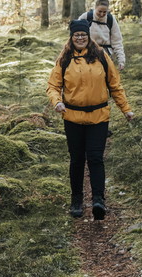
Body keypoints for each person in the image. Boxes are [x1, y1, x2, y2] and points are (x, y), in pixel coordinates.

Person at [47, 19, 134, 220]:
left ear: (88, 36)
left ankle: (98, 200)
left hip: (99, 117)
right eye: (76, 35)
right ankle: (76, 200)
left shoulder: (101, 56)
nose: (80, 38)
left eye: (83, 35)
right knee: (77, 160)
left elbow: (115, 86)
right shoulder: (64, 59)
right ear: (71, 37)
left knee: (95, 158)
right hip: (72, 118)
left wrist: (126, 110)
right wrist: (57, 102)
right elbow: (53, 86)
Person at [78, 0, 126, 71]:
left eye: (104, 12)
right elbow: (76, 36)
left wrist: (121, 60)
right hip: (87, 54)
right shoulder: (86, 17)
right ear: (95, 7)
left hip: (105, 56)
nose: (101, 14)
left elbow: (117, 42)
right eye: (99, 11)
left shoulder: (110, 20)